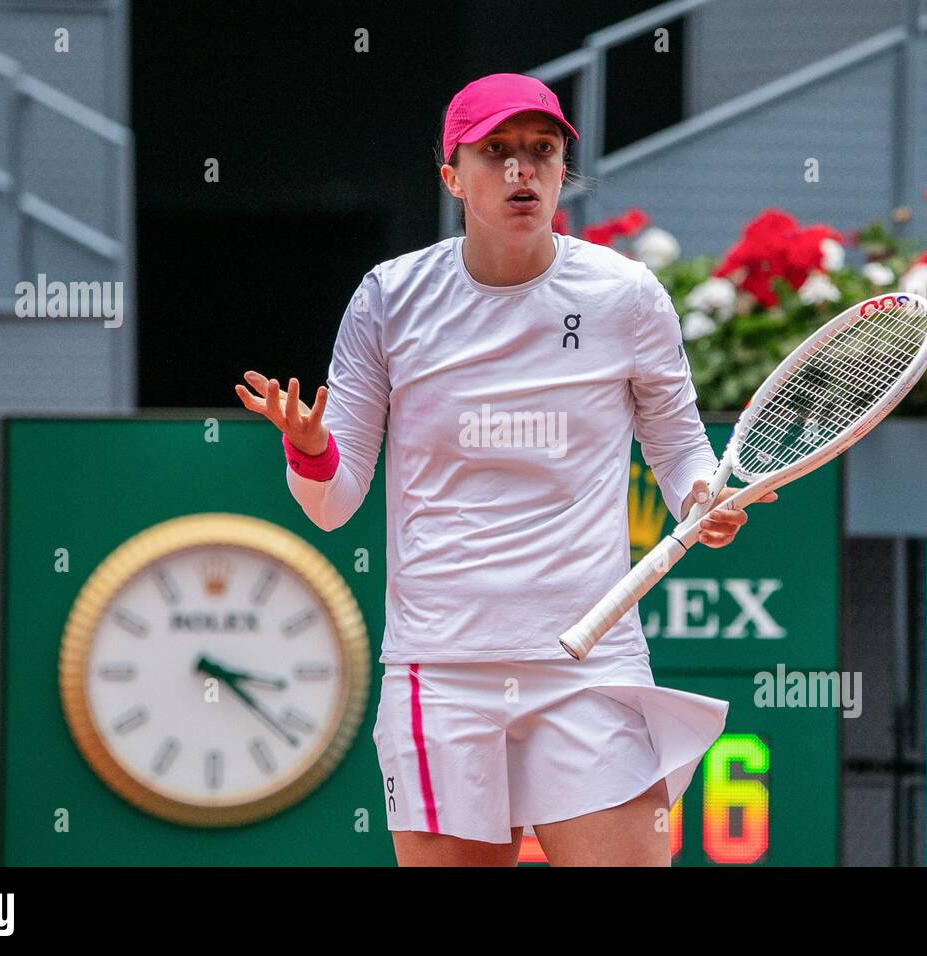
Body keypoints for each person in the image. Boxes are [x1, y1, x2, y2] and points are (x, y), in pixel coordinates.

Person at [236, 72, 775, 866]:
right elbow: (331, 505)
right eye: (496, 152)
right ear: (452, 175)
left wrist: (704, 498)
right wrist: (311, 448)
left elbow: (680, 451)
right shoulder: (389, 300)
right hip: (440, 671)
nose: (521, 170)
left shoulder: (626, 297)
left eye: (541, 151)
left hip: (588, 667)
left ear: (563, 172)